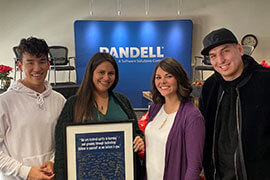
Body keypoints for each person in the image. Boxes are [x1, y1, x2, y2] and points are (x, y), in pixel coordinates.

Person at [54, 52, 145, 179]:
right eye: (101, 72)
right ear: (91, 73)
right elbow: (61, 147)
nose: (106, 78)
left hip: (121, 173)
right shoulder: (73, 104)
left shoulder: (122, 101)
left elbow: (136, 132)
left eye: (111, 73)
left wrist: (139, 139)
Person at [199, 28, 270, 180]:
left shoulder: (265, 82)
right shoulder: (210, 87)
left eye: (225, 51)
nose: (220, 60)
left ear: (239, 49)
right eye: (213, 56)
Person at [0, 37, 66, 180]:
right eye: (30, 62)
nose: (37, 68)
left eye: (42, 61)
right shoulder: (4, 102)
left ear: (48, 64)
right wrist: (25, 171)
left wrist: (53, 162)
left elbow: (64, 140)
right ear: (20, 66)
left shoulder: (59, 100)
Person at [144, 57, 205, 180]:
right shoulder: (155, 108)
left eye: (169, 76)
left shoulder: (192, 117)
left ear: (179, 78)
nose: (162, 82)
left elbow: (194, 166)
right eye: (158, 77)